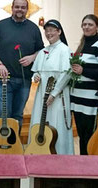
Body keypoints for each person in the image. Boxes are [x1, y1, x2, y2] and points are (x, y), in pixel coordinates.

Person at [0, 0, 44, 129]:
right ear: (12, 8)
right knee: (3, 114)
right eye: (17, 7)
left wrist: (32, 57)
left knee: (18, 115)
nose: (19, 9)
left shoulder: (33, 28)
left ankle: (14, 146)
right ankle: (1, 146)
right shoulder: (0, 26)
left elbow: (41, 51)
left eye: (23, 7)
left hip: (24, 81)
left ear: (27, 10)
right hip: (4, 80)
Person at [29, 19, 74, 155]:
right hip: (42, 92)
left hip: (58, 94)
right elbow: (37, 71)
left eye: (52, 30)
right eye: (46, 31)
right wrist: (35, 76)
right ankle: (39, 150)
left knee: (57, 123)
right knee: (39, 120)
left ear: (59, 31)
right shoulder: (43, 51)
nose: (49, 33)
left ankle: (59, 154)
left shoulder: (65, 50)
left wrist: (54, 93)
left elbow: (67, 73)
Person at [70, 14, 98, 155]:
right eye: (84, 24)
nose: (86, 27)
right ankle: (83, 162)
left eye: (90, 24)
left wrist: (83, 70)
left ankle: (90, 165)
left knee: (90, 135)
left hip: (90, 99)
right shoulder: (82, 45)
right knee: (81, 135)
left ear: (97, 27)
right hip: (77, 97)